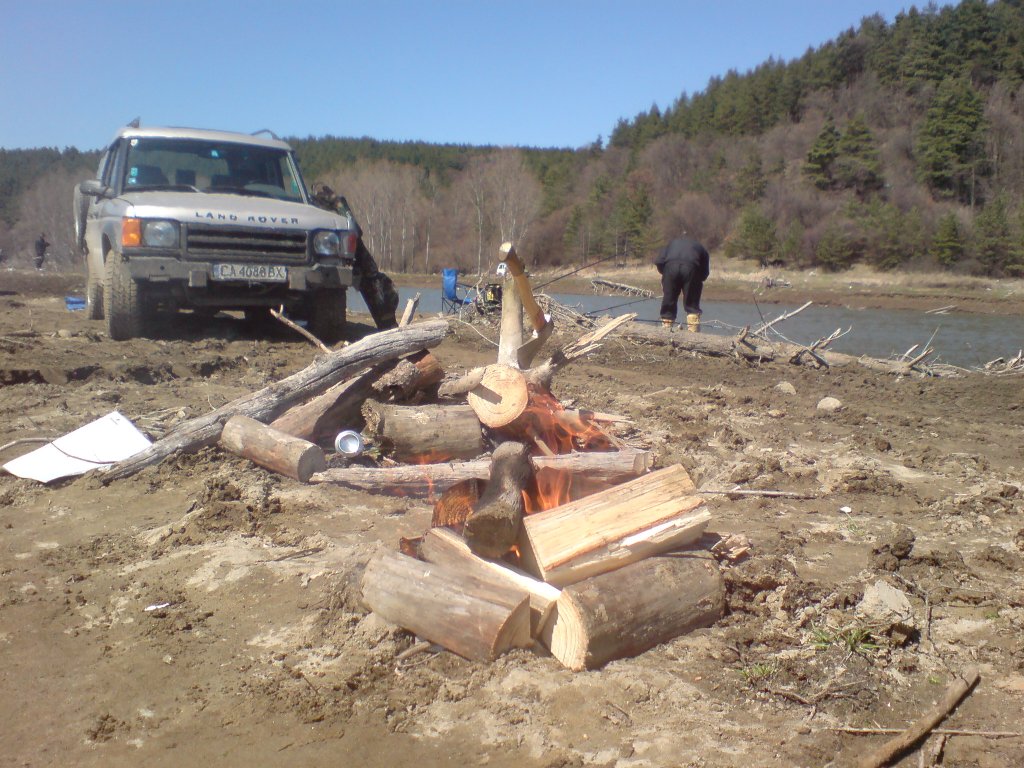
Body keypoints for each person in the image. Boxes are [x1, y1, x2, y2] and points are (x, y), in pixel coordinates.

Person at [655, 234, 710, 332]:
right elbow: (704, 273)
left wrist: (666, 275)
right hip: (692, 267)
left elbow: (659, 261)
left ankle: (666, 327)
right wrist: (696, 282)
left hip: (670, 267)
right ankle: (693, 330)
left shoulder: (671, 243)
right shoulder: (700, 247)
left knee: (669, 298)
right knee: (692, 303)